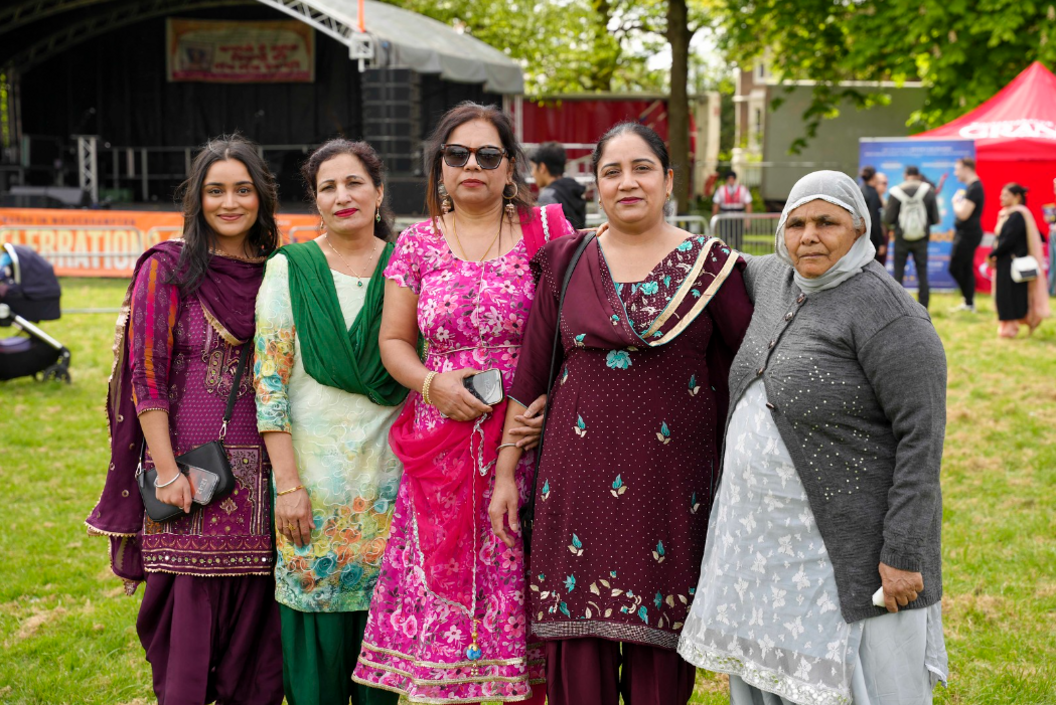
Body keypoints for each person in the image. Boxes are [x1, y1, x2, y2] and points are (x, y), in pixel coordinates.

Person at [489, 122, 754, 705]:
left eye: (642, 169)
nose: (627, 182)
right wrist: (507, 472)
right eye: (612, 171)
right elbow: (531, 377)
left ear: (668, 181)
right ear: (596, 183)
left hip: (671, 483)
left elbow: (751, 372)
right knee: (576, 645)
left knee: (658, 644)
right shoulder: (566, 258)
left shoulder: (712, 270)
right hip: (576, 476)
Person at [678, 170, 949, 705]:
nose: (809, 236)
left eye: (827, 222)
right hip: (764, 542)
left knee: (848, 682)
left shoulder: (889, 315)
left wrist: (903, 552)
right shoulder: (776, 278)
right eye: (796, 223)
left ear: (860, 229)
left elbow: (923, 441)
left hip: (842, 548)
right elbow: (705, 259)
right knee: (770, 670)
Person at [352, 101, 572, 703]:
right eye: (456, 154)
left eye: (488, 154)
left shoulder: (549, 233)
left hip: (530, 437)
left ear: (510, 169)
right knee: (443, 593)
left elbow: (570, 330)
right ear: (440, 169)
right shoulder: (416, 243)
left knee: (525, 579)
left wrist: (551, 399)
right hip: (442, 444)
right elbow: (394, 341)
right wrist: (432, 385)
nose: (471, 164)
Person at [86, 135, 284, 704]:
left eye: (242, 189)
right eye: (215, 190)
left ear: (261, 197)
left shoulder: (278, 271)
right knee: (186, 655)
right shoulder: (168, 268)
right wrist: (168, 472)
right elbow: (146, 375)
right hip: (190, 482)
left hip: (266, 485)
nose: (229, 202)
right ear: (195, 199)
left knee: (258, 656)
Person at [254, 139, 408, 705]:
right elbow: (269, 386)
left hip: (393, 492)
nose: (342, 196)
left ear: (379, 191)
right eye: (327, 187)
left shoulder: (408, 267)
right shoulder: (290, 270)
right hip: (312, 498)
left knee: (380, 669)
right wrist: (288, 487)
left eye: (354, 183)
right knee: (315, 672)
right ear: (315, 201)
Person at [989, 183, 1052, 338]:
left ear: (1017, 197)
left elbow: (1008, 240)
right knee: (1007, 296)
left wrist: (993, 254)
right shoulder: (1007, 215)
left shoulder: (1018, 215)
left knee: (1010, 297)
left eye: (1005, 195)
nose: (1001, 198)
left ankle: (1010, 328)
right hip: (1006, 262)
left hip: (1012, 263)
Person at [884, 165, 939, 309]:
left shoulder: (896, 192)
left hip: (901, 238)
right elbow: (935, 219)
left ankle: (897, 306)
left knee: (898, 273)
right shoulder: (928, 191)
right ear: (918, 175)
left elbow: (888, 219)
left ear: (905, 175)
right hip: (922, 238)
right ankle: (924, 306)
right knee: (922, 273)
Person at [949, 157, 985, 312]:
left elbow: (963, 214)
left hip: (968, 234)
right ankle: (969, 302)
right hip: (967, 232)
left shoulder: (975, 187)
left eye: (957, 169)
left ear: (966, 168)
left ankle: (969, 301)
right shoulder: (972, 187)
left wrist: (955, 202)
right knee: (966, 267)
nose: (955, 173)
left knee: (955, 267)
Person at [530, 141, 587, 229]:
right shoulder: (574, 188)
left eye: (533, 168)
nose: (532, 173)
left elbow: (550, 236)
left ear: (542, 168)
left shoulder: (547, 197)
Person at [713, 170, 753, 248]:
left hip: (738, 217)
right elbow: (716, 204)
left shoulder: (742, 189)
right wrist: (714, 217)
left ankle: (738, 256)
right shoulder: (721, 189)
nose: (731, 181)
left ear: (735, 179)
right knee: (724, 239)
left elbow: (748, 204)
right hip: (725, 217)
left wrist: (748, 219)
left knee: (738, 239)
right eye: (729, 179)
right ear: (727, 180)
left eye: (732, 179)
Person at [860, 166, 887, 265]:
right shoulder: (872, 193)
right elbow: (875, 219)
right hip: (872, 238)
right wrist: (881, 242)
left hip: (861, 236)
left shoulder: (860, 190)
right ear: (874, 177)